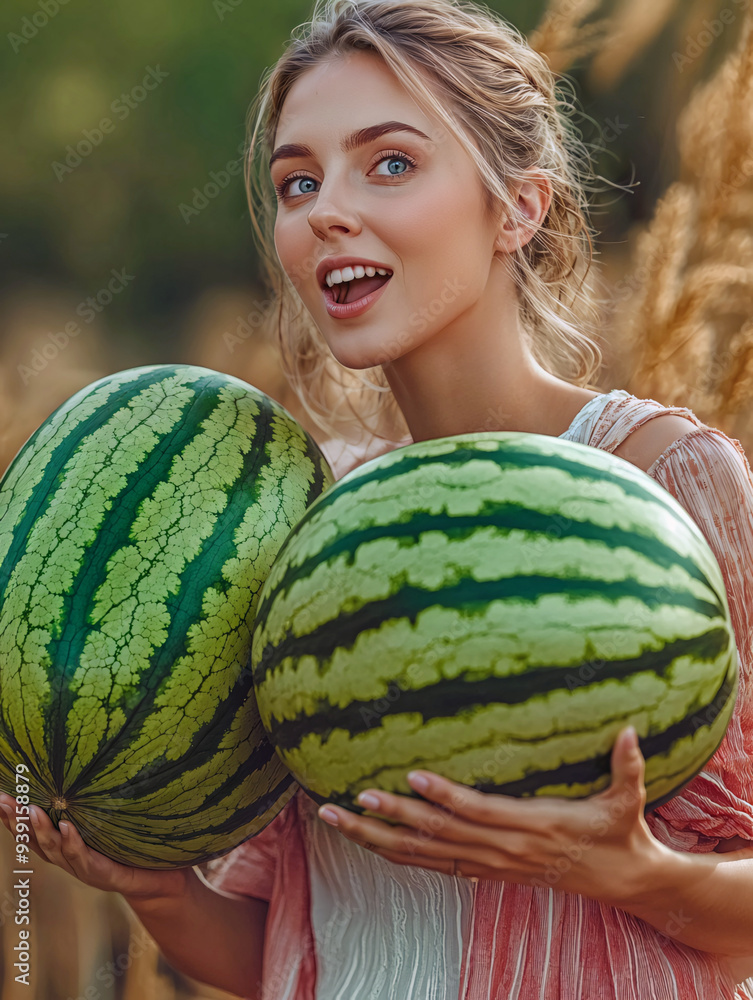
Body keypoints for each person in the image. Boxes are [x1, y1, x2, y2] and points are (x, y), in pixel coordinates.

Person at [2, 1, 753, 997]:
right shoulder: (307, 534)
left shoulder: (667, 480)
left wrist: (629, 873)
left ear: (518, 206)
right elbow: (289, 949)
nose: (325, 211)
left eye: (389, 163)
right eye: (297, 182)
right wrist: (158, 889)